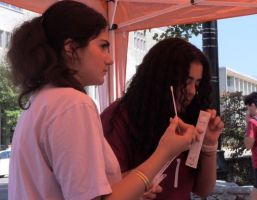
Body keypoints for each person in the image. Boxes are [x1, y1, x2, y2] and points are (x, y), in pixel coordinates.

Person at [7, 1, 199, 200]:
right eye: (103, 46)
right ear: (71, 49)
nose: (110, 59)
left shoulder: (42, 99)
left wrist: (133, 185)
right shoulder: (73, 104)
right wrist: (165, 152)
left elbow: (70, 188)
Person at [101, 38, 224, 199]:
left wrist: (209, 145)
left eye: (197, 83)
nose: (192, 91)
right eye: (186, 82)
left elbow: (203, 190)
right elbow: (103, 186)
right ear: (161, 80)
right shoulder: (120, 116)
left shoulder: (189, 120)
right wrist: (140, 184)